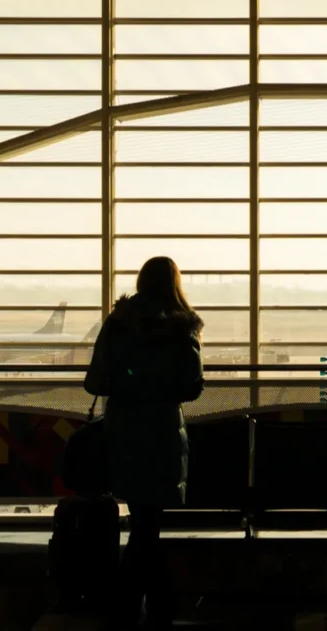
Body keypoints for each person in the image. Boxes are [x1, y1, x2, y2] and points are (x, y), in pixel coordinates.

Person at [84, 256, 205, 629]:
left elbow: (95, 382)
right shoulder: (183, 327)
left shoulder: (118, 323)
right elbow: (193, 386)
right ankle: (148, 605)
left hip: (123, 432)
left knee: (143, 523)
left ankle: (136, 605)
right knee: (148, 525)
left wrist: (128, 384)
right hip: (162, 433)